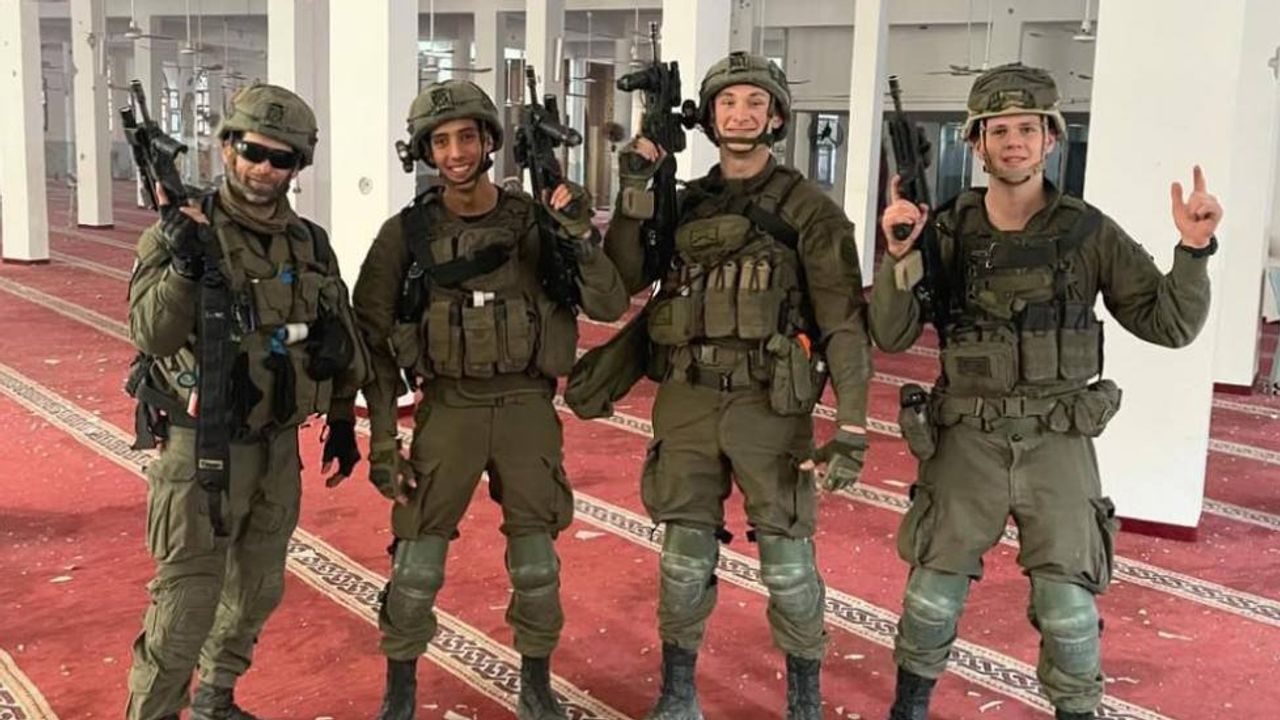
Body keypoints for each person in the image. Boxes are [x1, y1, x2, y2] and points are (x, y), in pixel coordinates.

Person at [871, 63, 1221, 720]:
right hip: (966, 438)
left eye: (1027, 130)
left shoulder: (1087, 232)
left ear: (1051, 139)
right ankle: (907, 710)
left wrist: (1193, 249)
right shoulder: (944, 230)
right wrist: (898, 256)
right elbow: (890, 335)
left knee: (1070, 613)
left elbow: (1170, 324)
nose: (1014, 142)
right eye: (998, 130)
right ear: (976, 143)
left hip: (1057, 439)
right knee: (931, 599)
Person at [341, 79, 628, 720]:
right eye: (441, 141)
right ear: (424, 151)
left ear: (489, 141)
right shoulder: (405, 234)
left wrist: (578, 235)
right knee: (416, 564)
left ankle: (535, 684)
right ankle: (400, 691)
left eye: (467, 137)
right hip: (449, 410)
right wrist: (384, 441)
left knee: (537, 565)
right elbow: (370, 339)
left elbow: (609, 305)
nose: (456, 153)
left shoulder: (536, 220)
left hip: (527, 408)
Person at [602, 52, 873, 719]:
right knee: (682, 560)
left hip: (769, 405)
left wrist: (853, 426)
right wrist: (635, 188)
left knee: (788, 564)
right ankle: (677, 694)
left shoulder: (812, 211)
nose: (742, 114)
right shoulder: (685, 202)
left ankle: (805, 701)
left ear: (777, 117)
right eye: (728, 101)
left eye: (756, 102)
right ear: (710, 115)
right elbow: (624, 279)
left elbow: (843, 324)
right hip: (688, 398)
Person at [124, 84, 368, 720]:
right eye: (253, 151)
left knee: (257, 589)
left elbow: (340, 332)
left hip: (277, 448)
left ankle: (215, 698)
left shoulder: (310, 244)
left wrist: (344, 416)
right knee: (185, 605)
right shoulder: (179, 230)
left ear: (297, 166)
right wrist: (184, 265)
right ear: (228, 146)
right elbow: (151, 334)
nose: (263, 168)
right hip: (201, 451)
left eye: (280, 158)